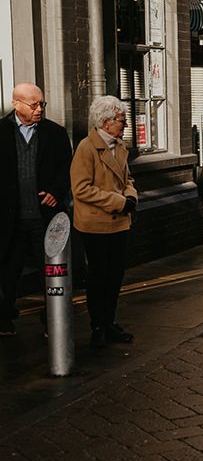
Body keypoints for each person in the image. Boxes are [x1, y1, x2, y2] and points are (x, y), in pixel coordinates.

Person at [0, 83, 72, 337]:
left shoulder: (55, 133)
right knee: (8, 270)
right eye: (34, 105)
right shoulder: (1, 132)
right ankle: (4, 317)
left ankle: (51, 318)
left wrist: (56, 192)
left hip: (44, 216)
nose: (39, 109)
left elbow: (66, 169)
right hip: (11, 216)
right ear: (16, 104)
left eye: (42, 103)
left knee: (50, 272)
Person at [71, 96, 137, 348]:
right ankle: (98, 326)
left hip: (119, 222)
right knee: (99, 276)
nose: (125, 125)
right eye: (121, 120)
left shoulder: (119, 146)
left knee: (115, 275)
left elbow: (127, 180)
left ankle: (109, 322)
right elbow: (81, 189)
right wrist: (119, 202)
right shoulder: (86, 148)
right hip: (94, 223)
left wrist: (130, 197)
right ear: (106, 122)